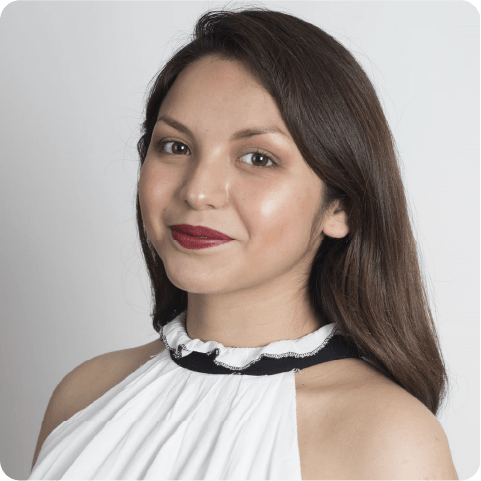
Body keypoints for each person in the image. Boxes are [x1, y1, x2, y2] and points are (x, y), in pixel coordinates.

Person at [29, 7, 459, 480]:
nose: (198, 191)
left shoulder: (389, 443)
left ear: (342, 208)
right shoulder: (83, 396)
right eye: (175, 146)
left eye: (258, 158)